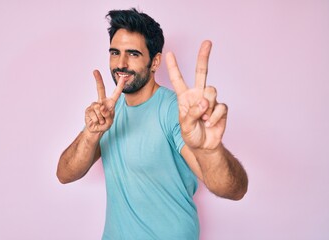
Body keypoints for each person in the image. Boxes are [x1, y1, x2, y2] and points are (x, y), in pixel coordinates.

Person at [57, 8, 248, 239]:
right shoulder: (108, 112)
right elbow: (65, 175)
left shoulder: (173, 110)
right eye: (115, 52)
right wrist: (91, 133)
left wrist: (211, 151)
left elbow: (233, 190)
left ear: (155, 61)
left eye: (133, 54)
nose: (121, 63)